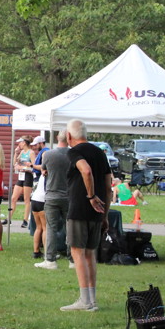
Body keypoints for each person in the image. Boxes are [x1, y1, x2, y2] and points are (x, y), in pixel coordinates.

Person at [60, 119, 110, 312]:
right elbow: (108, 186)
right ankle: (92, 299)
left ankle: (84, 300)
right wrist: (105, 214)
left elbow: (86, 170)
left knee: (77, 252)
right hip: (98, 211)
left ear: (69, 136)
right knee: (90, 254)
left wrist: (90, 196)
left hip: (80, 208)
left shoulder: (74, 152)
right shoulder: (100, 153)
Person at [36, 133, 71, 269]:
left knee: (51, 228)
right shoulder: (73, 155)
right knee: (70, 228)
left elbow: (43, 170)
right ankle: (73, 260)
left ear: (57, 138)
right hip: (68, 196)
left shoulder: (49, 154)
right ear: (69, 138)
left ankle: (50, 260)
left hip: (52, 195)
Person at [11, 136, 34, 228]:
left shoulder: (31, 152)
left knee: (26, 199)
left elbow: (33, 167)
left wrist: (23, 167)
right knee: (13, 198)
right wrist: (16, 153)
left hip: (28, 176)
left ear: (24, 142)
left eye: (20, 142)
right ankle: (9, 218)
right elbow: (15, 163)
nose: (19, 144)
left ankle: (25, 220)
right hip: (21, 176)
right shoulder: (21, 152)